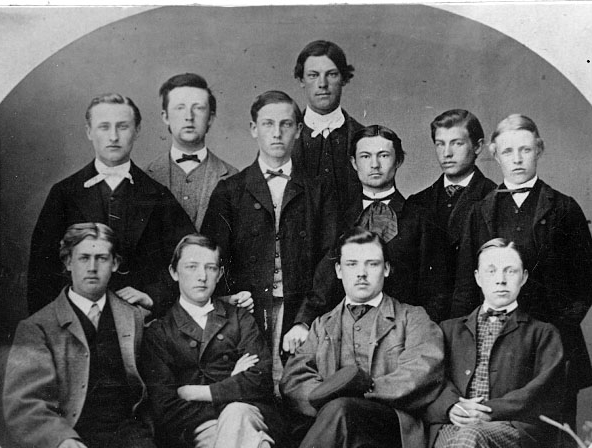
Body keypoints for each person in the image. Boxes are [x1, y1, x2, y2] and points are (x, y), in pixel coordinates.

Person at [242, 228, 444, 448]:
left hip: (392, 433)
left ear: (386, 269)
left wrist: (361, 392)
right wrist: (331, 400)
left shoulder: (412, 318)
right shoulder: (322, 325)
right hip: (340, 437)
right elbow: (294, 379)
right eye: (352, 264)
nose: (361, 273)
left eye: (372, 264)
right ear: (338, 270)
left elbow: (422, 370)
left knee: (343, 410)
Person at [4, 223, 166, 448]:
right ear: (68, 262)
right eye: (83, 258)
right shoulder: (38, 327)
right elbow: (24, 403)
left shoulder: (134, 317)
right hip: (70, 431)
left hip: (123, 432)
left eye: (102, 258)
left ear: (115, 264)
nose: (92, 267)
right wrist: (60, 439)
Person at [451, 114, 592, 434]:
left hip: (551, 343)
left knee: (554, 439)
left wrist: (558, 326)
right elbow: (466, 282)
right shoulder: (480, 211)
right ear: (495, 154)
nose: (517, 159)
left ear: (539, 150)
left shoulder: (563, 208)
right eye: (508, 151)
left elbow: (588, 277)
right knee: (489, 429)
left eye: (526, 150)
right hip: (495, 347)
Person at [139, 234, 283, 448]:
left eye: (210, 267)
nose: (202, 276)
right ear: (174, 272)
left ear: (220, 274)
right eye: (192, 267)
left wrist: (200, 392)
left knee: (237, 416)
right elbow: (165, 407)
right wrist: (233, 382)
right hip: (199, 429)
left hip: (253, 415)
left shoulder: (240, 318)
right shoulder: (159, 333)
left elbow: (260, 378)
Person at [420, 238, 566, 448]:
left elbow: (543, 392)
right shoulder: (447, 330)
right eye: (491, 271)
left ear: (524, 277)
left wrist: (489, 410)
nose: (500, 279)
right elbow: (429, 383)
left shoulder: (543, 333)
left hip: (515, 433)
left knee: (471, 438)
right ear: (477, 277)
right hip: (452, 426)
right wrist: (452, 406)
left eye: (510, 271)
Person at [201, 90, 338, 393]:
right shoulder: (230, 191)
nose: (277, 133)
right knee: (252, 387)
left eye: (286, 124)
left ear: (299, 130)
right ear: (254, 129)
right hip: (246, 311)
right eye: (268, 124)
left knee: (298, 388)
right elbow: (211, 255)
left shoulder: (319, 190)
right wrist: (229, 296)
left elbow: (331, 256)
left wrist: (306, 318)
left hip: (301, 309)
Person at [284, 125, 450, 355]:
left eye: (383, 155)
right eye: (365, 156)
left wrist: (417, 335)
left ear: (398, 160)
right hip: (344, 337)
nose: (374, 164)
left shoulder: (420, 219)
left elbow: (435, 292)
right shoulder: (338, 218)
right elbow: (324, 279)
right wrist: (303, 322)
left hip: (400, 338)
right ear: (354, 163)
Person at [27, 92, 195, 316]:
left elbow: (191, 257)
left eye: (123, 127)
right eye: (104, 127)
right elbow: (41, 271)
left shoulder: (157, 195)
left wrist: (153, 297)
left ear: (137, 131)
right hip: (77, 321)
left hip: (141, 321)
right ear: (89, 131)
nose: (113, 137)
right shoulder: (64, 193)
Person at [409, 109, 497, 311]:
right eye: (440, 144)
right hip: (424, 319)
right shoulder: (417, 202)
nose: (446, 153)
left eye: (457, 143)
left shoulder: (495, 199)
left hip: (473, 315)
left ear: (478, 146)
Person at [145, 73, 238, 230]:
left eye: (198, 108)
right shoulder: (144, 177)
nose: (189, 116)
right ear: (165, 117)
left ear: (210, 118)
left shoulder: (234, 177)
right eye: (180, 108)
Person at [291, 40, 365, 211]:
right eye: (313, 75)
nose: (322, 84)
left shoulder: (365, 137)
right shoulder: (284, 138)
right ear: (301, 80)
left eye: (331, 74)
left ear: (344, 79)